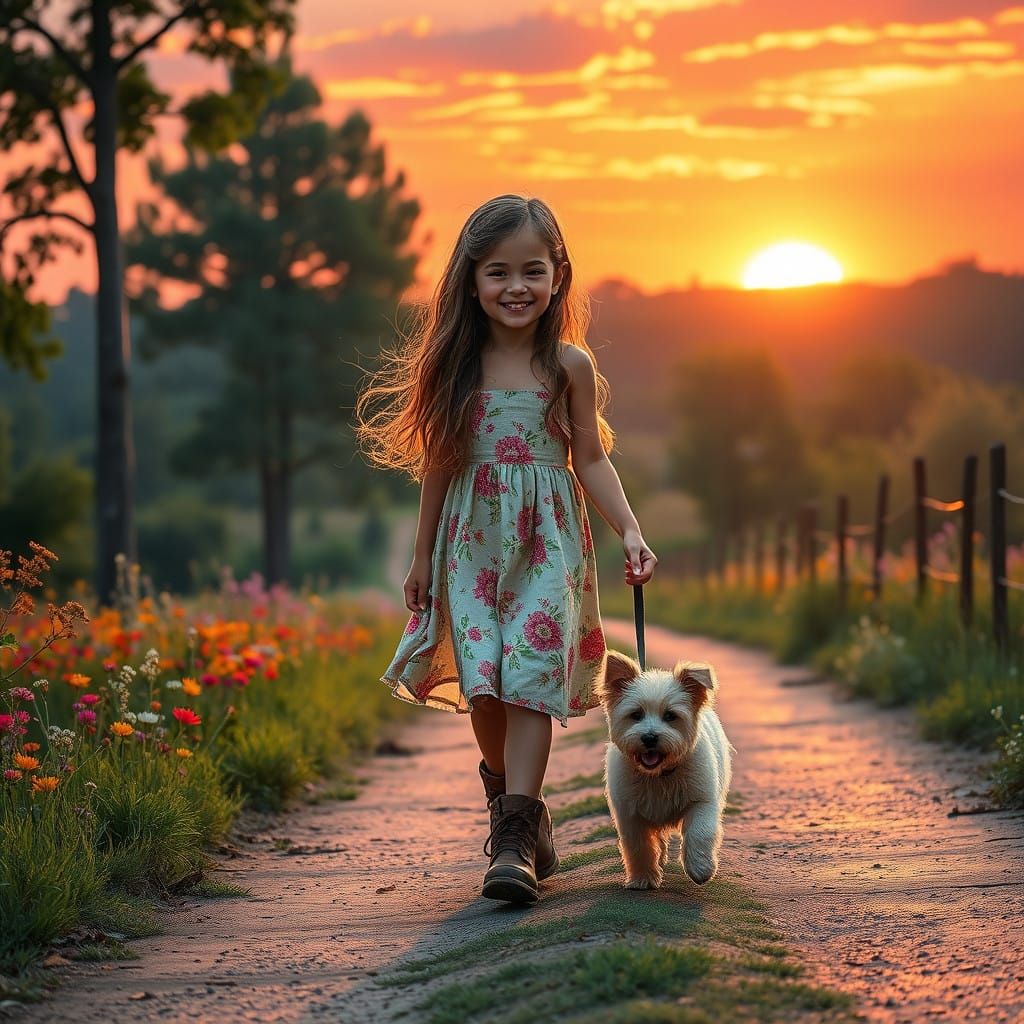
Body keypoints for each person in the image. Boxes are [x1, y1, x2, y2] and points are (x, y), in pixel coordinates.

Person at [354, 194, 657, 905]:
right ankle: (512, 806)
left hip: (548, 541)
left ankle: (515, 838)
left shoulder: (569, 365)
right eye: (497, 272)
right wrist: (421, 555)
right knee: (484, 683)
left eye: (532, 270)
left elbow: (591, 458)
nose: (515, 287)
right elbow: (439, 464)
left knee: (527, 675)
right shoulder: (455, 365)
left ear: (558, 275)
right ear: (470, 280)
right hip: (471, 543)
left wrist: (632, 529)